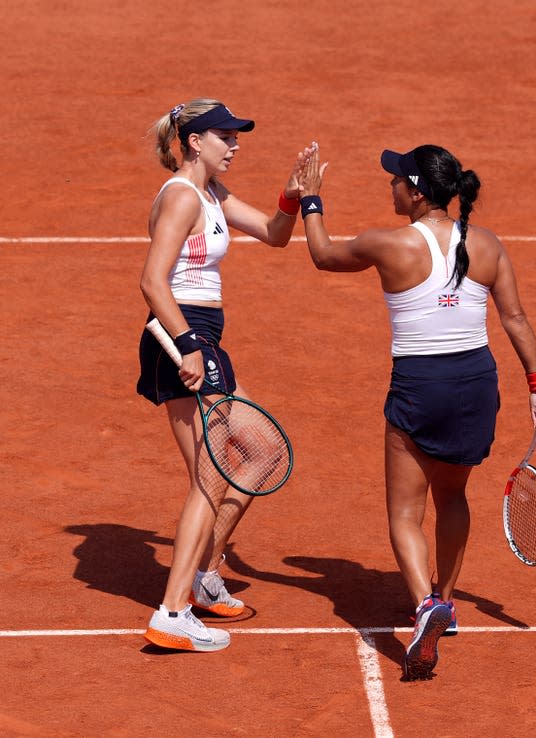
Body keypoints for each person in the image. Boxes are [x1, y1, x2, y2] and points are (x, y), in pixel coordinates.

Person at [298, 143, 536, 680]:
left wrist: (311, 200)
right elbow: (514, 319)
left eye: (396, 179)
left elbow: (322, 256)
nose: (390, 185)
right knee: (453, 494)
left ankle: (426, 607)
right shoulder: (487, 244)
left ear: (416, 192)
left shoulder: (388, 244)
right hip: (476, 385)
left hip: (421, 386)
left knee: (403, 514)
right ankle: (448, 600)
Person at [137, 98, 313, 652]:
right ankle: (172, 611)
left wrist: (295, 196)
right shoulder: (181, 197)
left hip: (205, 340)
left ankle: (205, 575)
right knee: (211, 478)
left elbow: (275, 232)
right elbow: (151, 280)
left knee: (261, 452)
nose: (234, 146)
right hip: (181, 337)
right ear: (194, 141)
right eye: (225, 137)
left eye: (236, 138)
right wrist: (188, 346)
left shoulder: (213, 195)